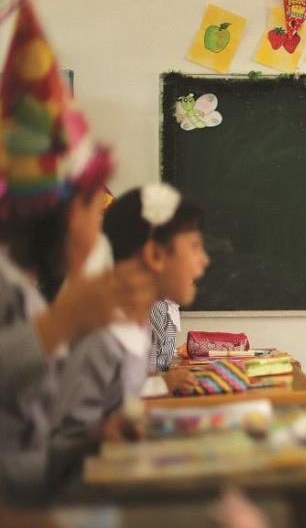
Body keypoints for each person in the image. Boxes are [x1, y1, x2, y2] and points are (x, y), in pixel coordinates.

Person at [0, 0, 155, 503]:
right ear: (68, 215)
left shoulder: (31, 294)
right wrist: (63, 321)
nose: (103, 221)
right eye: (96, 208)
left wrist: (86, 442)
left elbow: (22, 441)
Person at [50, 184, 208, 485]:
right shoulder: (102, 332)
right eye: (194, 246)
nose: (204, 260)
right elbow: (47, 448)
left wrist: (117, 427)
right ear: (155, 254)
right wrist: (97, 438)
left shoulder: (136, 323)